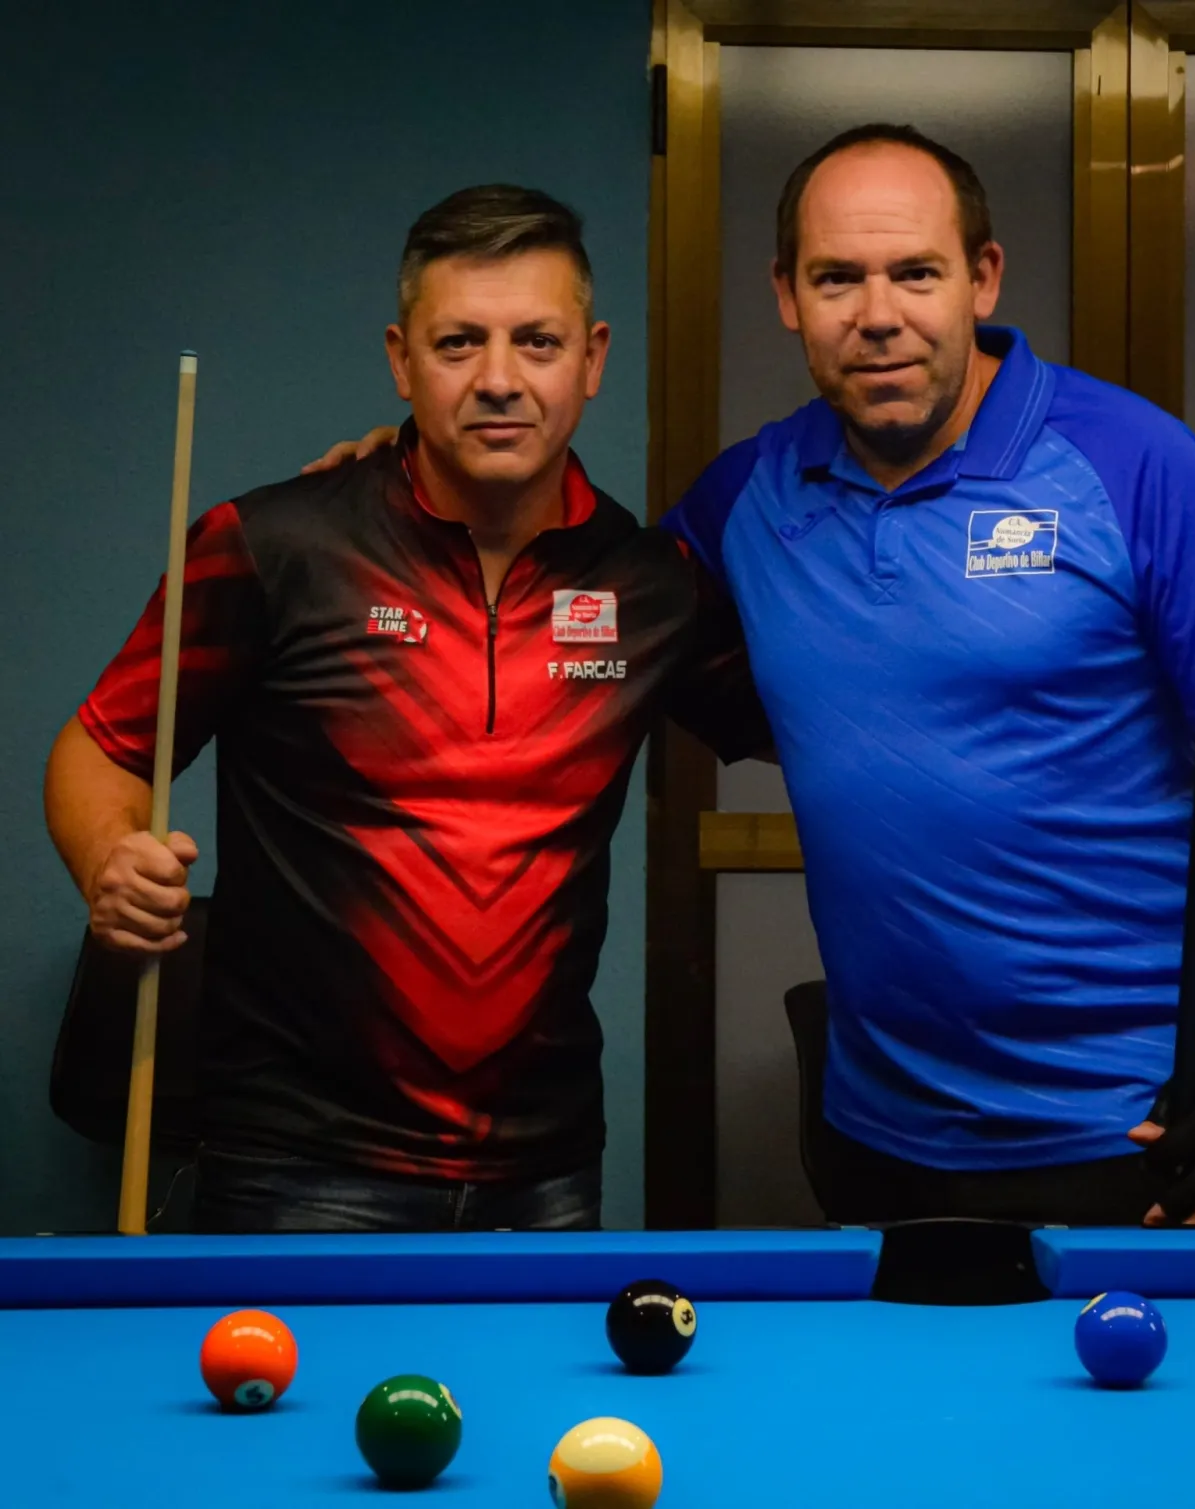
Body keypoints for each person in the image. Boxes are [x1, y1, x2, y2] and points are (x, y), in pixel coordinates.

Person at [312, 125, 1195, 1230]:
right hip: (878, 1136)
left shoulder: (1136, 464)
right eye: (837, 278)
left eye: (916, 273)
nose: (879, 313)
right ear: (787, 295)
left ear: (982, 278)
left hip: (1134, 1130)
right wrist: (408, 478)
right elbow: (571, 593)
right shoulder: (747, 497)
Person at [45, 185, 765, 1234]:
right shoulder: (276, 546)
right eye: (458, 342)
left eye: (537, 341)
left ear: (592, 358)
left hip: (545, 1166)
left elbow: (831, 726)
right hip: (297, 1162)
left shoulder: (651, 586)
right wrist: (109, 858)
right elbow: (100, 747)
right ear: (401, 360)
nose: (499, 379)